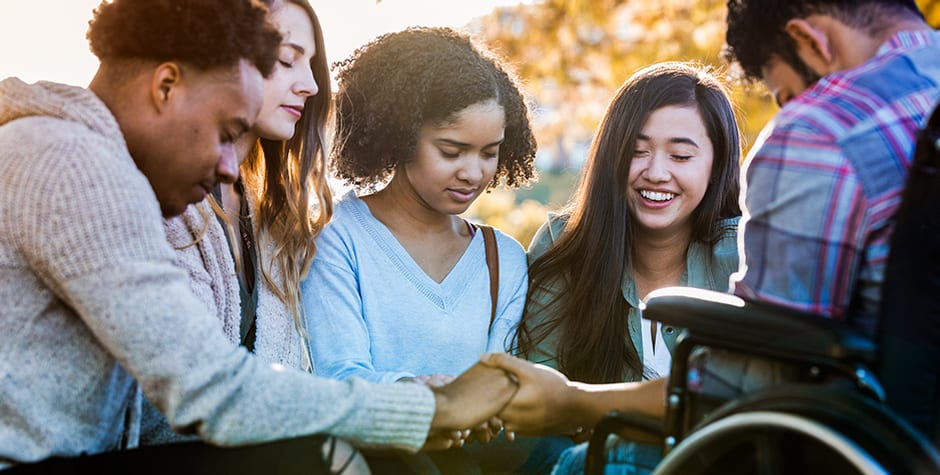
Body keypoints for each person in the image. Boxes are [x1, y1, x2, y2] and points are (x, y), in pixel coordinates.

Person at [0, 0, 517, 472]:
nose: (231, 168)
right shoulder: (68, 163)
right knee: (319, 459)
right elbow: (208, 389)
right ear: (165, 86)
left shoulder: (91, 158)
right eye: (227, 134)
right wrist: (432, 407)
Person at [298, 26, 541, 473]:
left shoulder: (502, 259)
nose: (473, 172)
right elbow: (340, 374)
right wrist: (428, 397)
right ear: (401, 136)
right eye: (452, 151)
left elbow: (497, 380)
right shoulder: (337, 237)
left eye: (489, 152)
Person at [503, 61, 742, 474]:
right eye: (637, 151)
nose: (656, 172)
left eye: (681, 155)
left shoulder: (740, 255)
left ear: (715, 165)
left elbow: (737, 403)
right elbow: (540, 402)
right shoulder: (565, 244)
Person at [140, 0, 334, 446]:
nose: (309, 85)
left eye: (311, 65)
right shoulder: (162, 196)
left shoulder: (272, 218)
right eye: (286, 60)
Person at [725, 0, 940, 337]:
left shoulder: (819, 129)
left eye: (790, 95)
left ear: (810, 41)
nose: (794, 107)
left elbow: (756, 370)